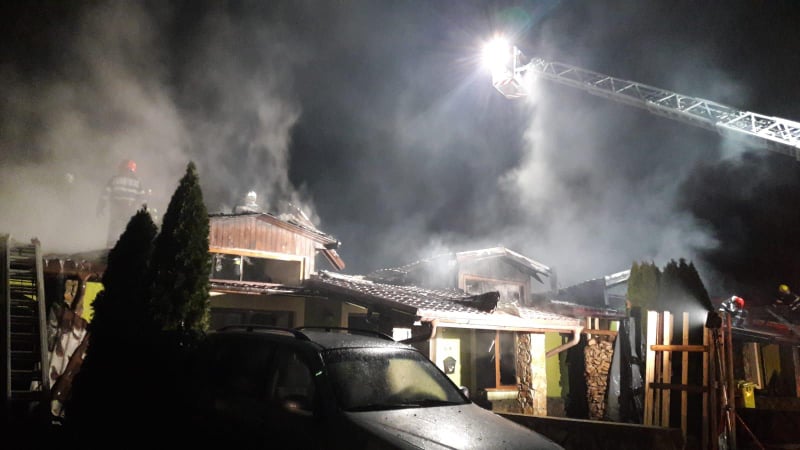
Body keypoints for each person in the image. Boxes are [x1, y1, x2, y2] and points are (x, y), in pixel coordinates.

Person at [98, 159, 148, 247]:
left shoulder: (114, 179)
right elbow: (142, 197)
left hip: (118, 207)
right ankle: (126, 246)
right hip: (129, 208)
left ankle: (111, 246)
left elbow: (105, 194)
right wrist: (144, 209)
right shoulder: (137, 182)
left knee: (115, 226)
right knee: (127, 227)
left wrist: (101, 206)